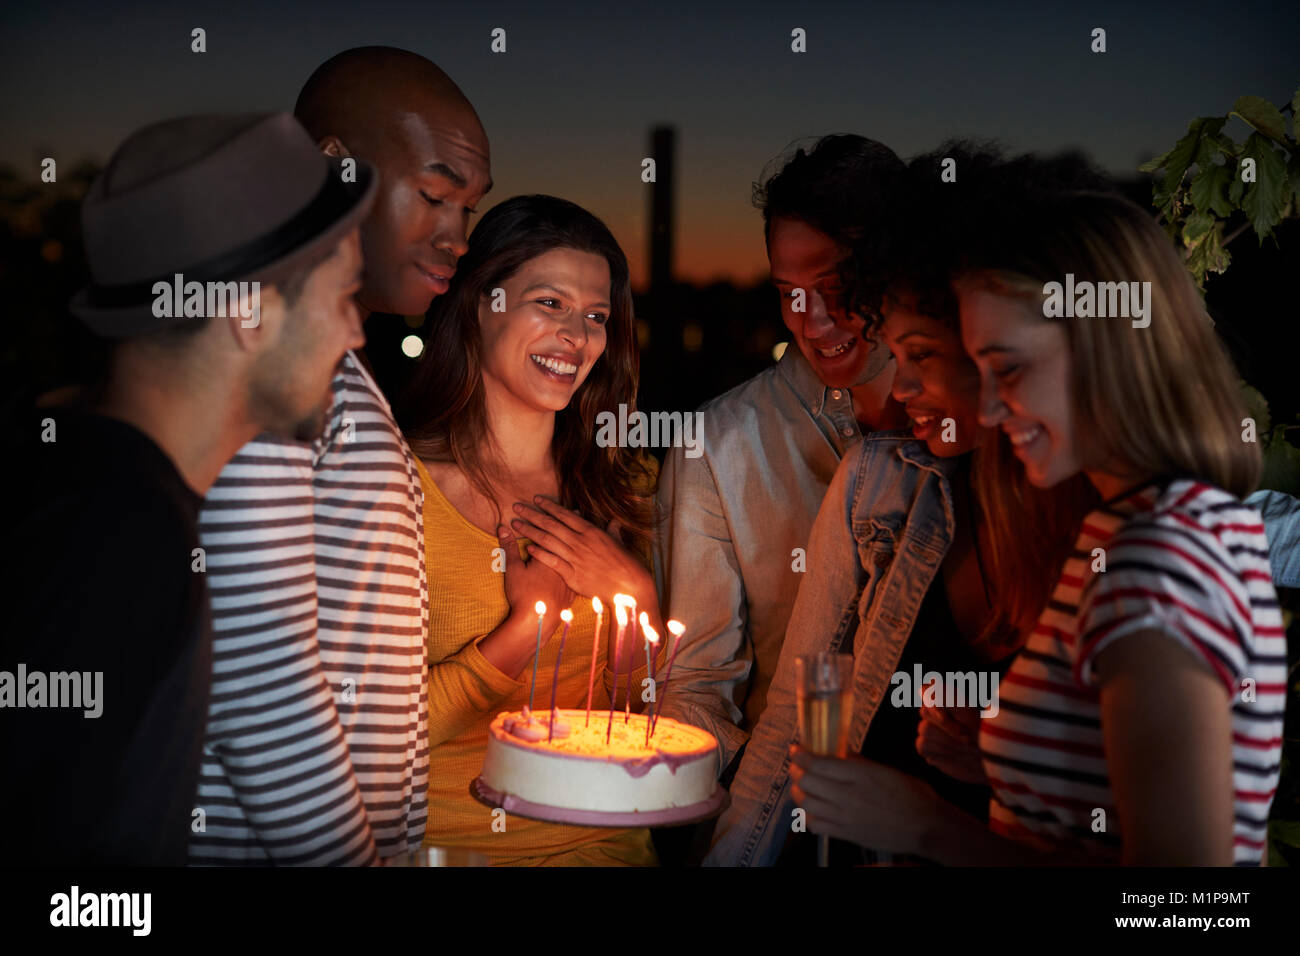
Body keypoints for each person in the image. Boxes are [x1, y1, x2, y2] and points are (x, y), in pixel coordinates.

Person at [792, 188, 1285, 865]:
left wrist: (926, 826)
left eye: (1010, 368)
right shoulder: (1147, 528)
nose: (991, 408)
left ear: (1107, 346)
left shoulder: (1158, 558)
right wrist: (1010, 769)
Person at [707, 146, 1102, 866]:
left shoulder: (1154, 544)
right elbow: (794, 717)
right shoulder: (890, 479)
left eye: (922, 354)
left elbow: (1192, 907)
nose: (904, 388)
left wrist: (929, 827)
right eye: (898, 353)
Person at [0, 112, 374, 865]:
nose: (357, 335)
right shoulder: (118, 544)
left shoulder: (102, 499)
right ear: (248, 313)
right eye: (343, 298)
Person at [189, 47, 492, 865]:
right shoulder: (273, 342)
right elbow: (259, 678)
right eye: (433, 195)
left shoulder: (334, 353)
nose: (456, 237)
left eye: (469, 209)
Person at [397, 195, 664, 865]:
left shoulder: (626, 481)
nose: (577, 338)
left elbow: (638, 717)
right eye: (550, 304)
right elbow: (375, 734)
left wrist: (637, 596)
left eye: (596, 316)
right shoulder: (395, 485)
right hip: (441, 848)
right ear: (479, 304)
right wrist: (523, 631)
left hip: (602, 842)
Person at [653, 136, 909, 778]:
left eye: (837, 286)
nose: (811, 320)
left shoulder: (977, 422)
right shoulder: (715, 443)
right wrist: (782, 792)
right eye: (788, 291)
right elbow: (697, 689)